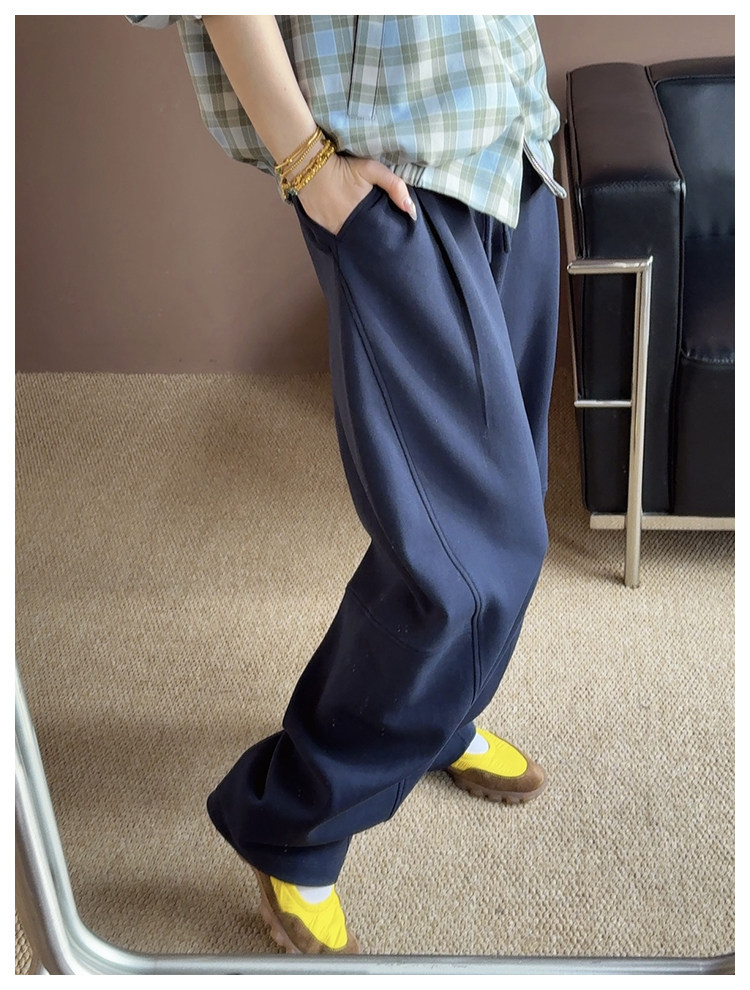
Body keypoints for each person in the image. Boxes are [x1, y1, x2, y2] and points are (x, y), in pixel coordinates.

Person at [127, 14, 566, 956]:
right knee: (476, 553)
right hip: (395, 175)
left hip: (515, 139)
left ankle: (438, 716)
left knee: (490, 503)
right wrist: (309, 167)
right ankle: (294, 817)